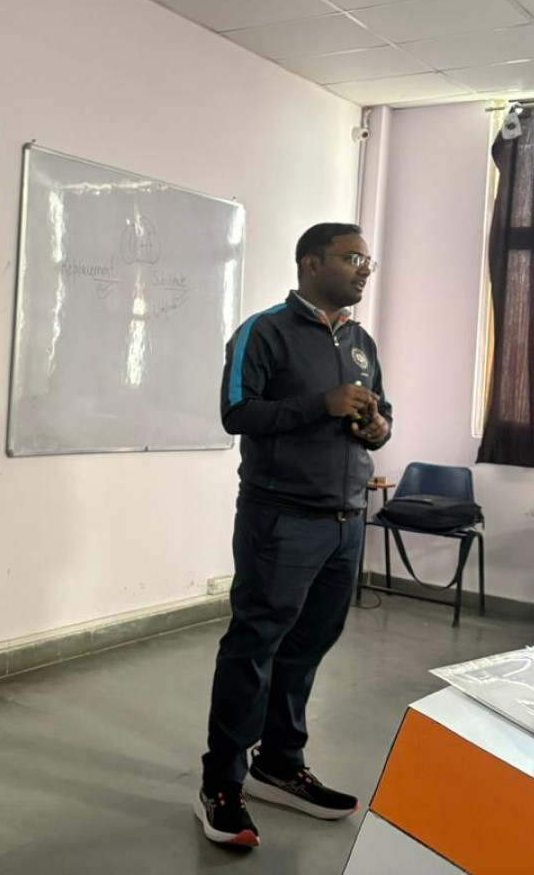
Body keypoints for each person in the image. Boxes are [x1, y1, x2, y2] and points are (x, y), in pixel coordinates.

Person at [196, 222, 391, 850]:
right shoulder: (265, 331)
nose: (363, 270)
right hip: (280, 520)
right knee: (254, 647)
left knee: (307, 647)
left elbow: (381, 414)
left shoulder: (360, 340)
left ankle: (279, 764)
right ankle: (222, 785)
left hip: (346, 521)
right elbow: (236, 412)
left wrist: (377, 427)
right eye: (353, 258)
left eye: (367, 261)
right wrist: (318, 405)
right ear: (311, 263)